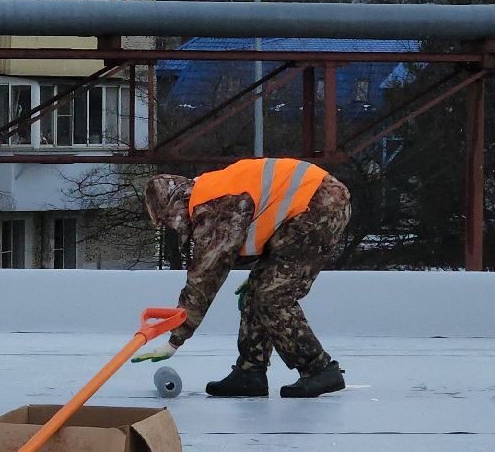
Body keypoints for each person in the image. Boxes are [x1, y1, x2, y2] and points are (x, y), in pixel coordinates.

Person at [142, 158, 351, 398]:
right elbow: (267, 217)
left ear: (173, 208)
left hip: (319, 204)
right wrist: (264, 269)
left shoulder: (211, 206)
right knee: (257, 290)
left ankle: (319, 369)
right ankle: (250, 373)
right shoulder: (209, 192)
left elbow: (205, 279)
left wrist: (174, 340)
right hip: (310, 206)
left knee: (271, 296)